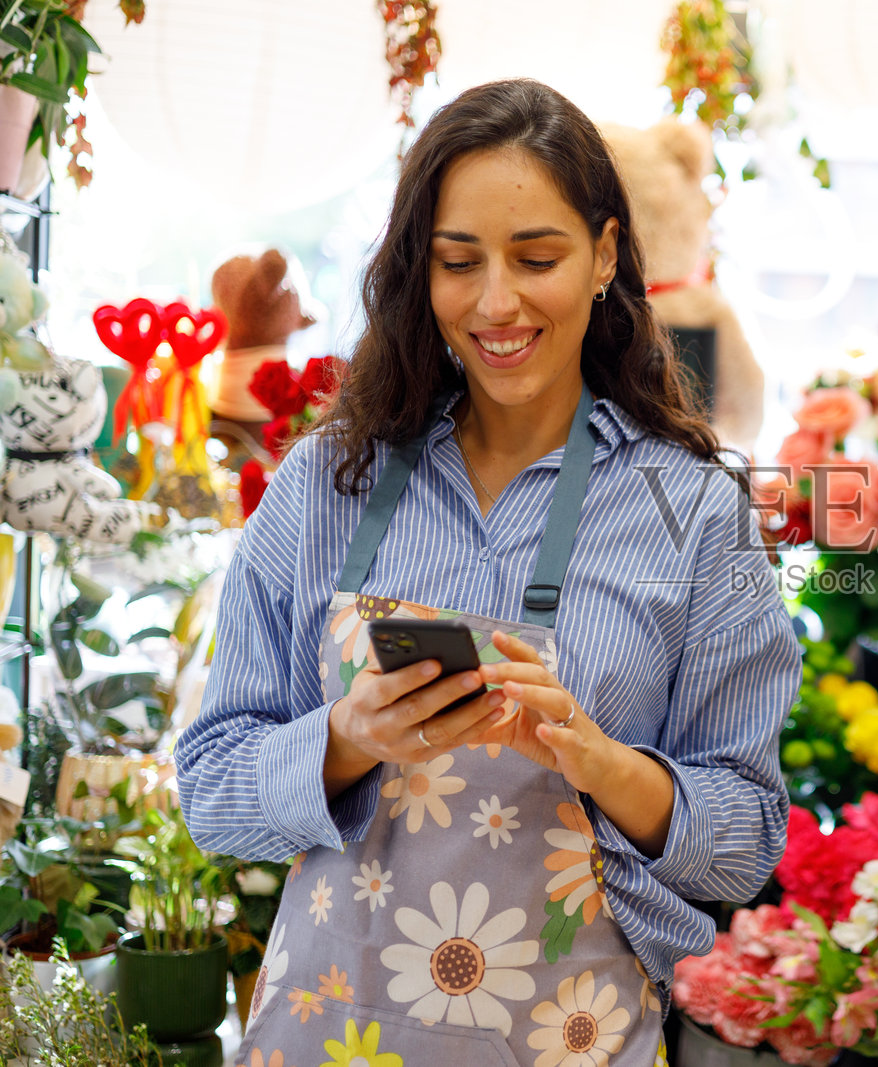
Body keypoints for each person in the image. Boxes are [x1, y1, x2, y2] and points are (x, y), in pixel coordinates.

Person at [177, 79, 798, 1066]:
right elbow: (211, 790)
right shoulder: (322, 483)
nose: (495, 301)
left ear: (603, 254)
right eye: (457, 261)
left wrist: (601, 763)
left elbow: (748, 835)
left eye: (537, 257)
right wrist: (345, 738)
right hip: (330, 1035)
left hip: (571, 1037)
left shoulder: (695, 512)